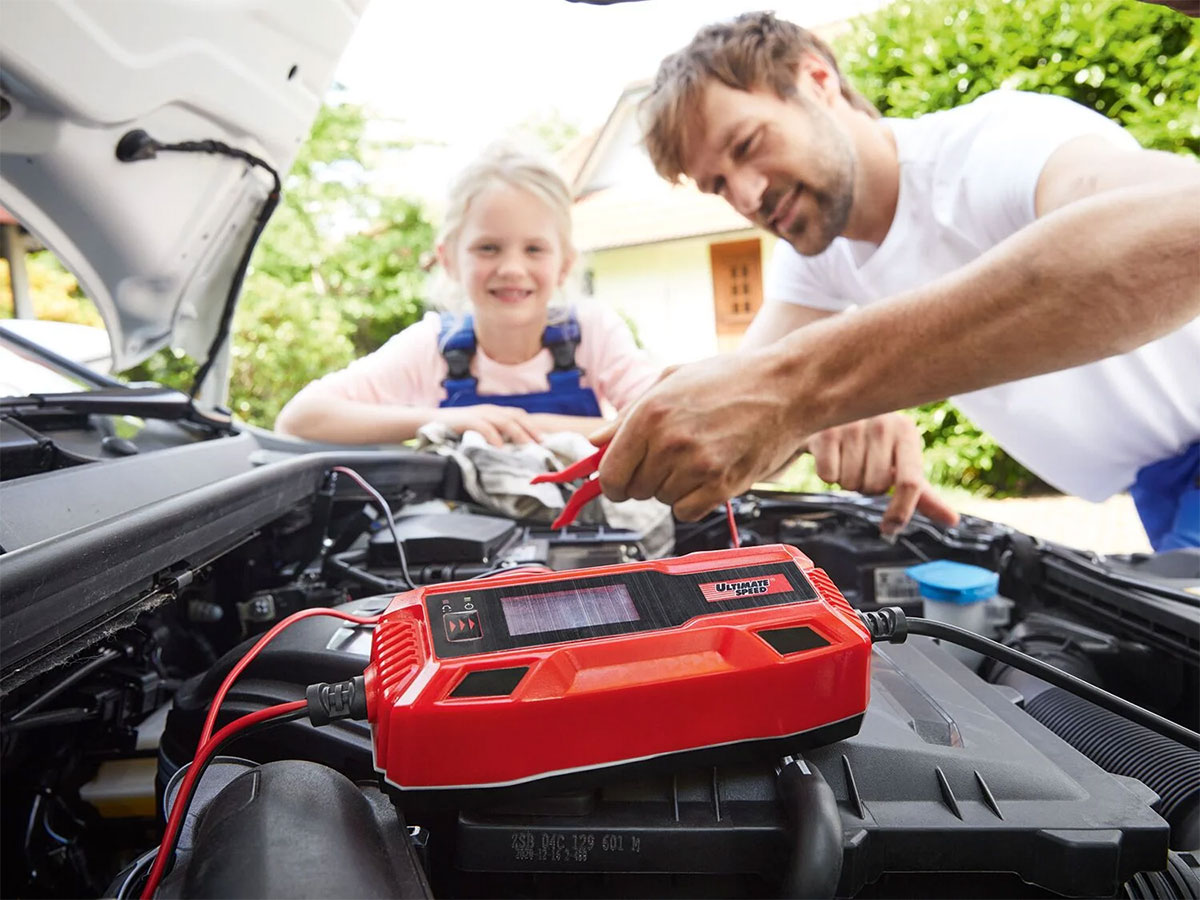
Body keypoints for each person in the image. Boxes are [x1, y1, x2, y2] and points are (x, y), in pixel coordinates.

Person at [593, 11, 1200, 550]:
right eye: (719, 186)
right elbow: (746, 412)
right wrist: (815, 420)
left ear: (818, 82)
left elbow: (1181, 227)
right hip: (1161, 496)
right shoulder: (816, 256)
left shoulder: (994, 146)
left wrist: (813, 390)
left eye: (748, 145)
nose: (747, 194)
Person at [276, 144, 660, 447]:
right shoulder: (432, 347)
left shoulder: (592, 333)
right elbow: (299, 419)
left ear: (564, 263)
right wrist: (445, 420)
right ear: (449, 259)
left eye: (534, 249)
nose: (512, 268)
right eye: (488, 248)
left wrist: (528, 428)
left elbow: (658, 420)